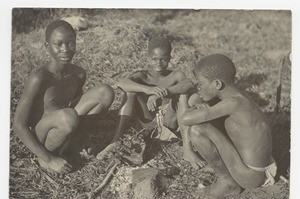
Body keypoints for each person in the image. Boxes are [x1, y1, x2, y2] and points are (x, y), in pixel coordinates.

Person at [13, 20, 115, 174]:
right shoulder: (39, 78)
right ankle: (51, 155)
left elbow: (79, 106)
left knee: (105, 92)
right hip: (43, 135)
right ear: (47, 46)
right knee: (68, 116)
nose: (65, 49)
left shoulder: (79, 73)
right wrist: (48, 158)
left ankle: (75, 143)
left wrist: (83, 134)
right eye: (58, 44)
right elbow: (18, 125)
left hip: (67, 121)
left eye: (70, 43)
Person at [96, 37, 205, 168]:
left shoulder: (175, 75)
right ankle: (116, 140)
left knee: (182, 95)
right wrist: (148, 90)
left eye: (163, 59)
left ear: (170, 58)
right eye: (154, 59)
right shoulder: (142, 76)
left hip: (168, 124)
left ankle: (187, 149)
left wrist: (165, 92)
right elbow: (122, 83)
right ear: (148, 58)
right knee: (130, 91)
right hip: (148, 124)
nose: (158, 63)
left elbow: (188, 84)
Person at [180, 54, 277, 199]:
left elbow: (185, 118)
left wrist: (196, 106)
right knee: (208, 115)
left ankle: (228, 183)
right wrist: (200, 100)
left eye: (200, 84)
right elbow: (201, 100)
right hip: (259, 166)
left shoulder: (233, 103)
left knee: (197, 129)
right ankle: (226, 170)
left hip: (251, 175)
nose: (198, 88)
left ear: (217, 84)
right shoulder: (236, 96)